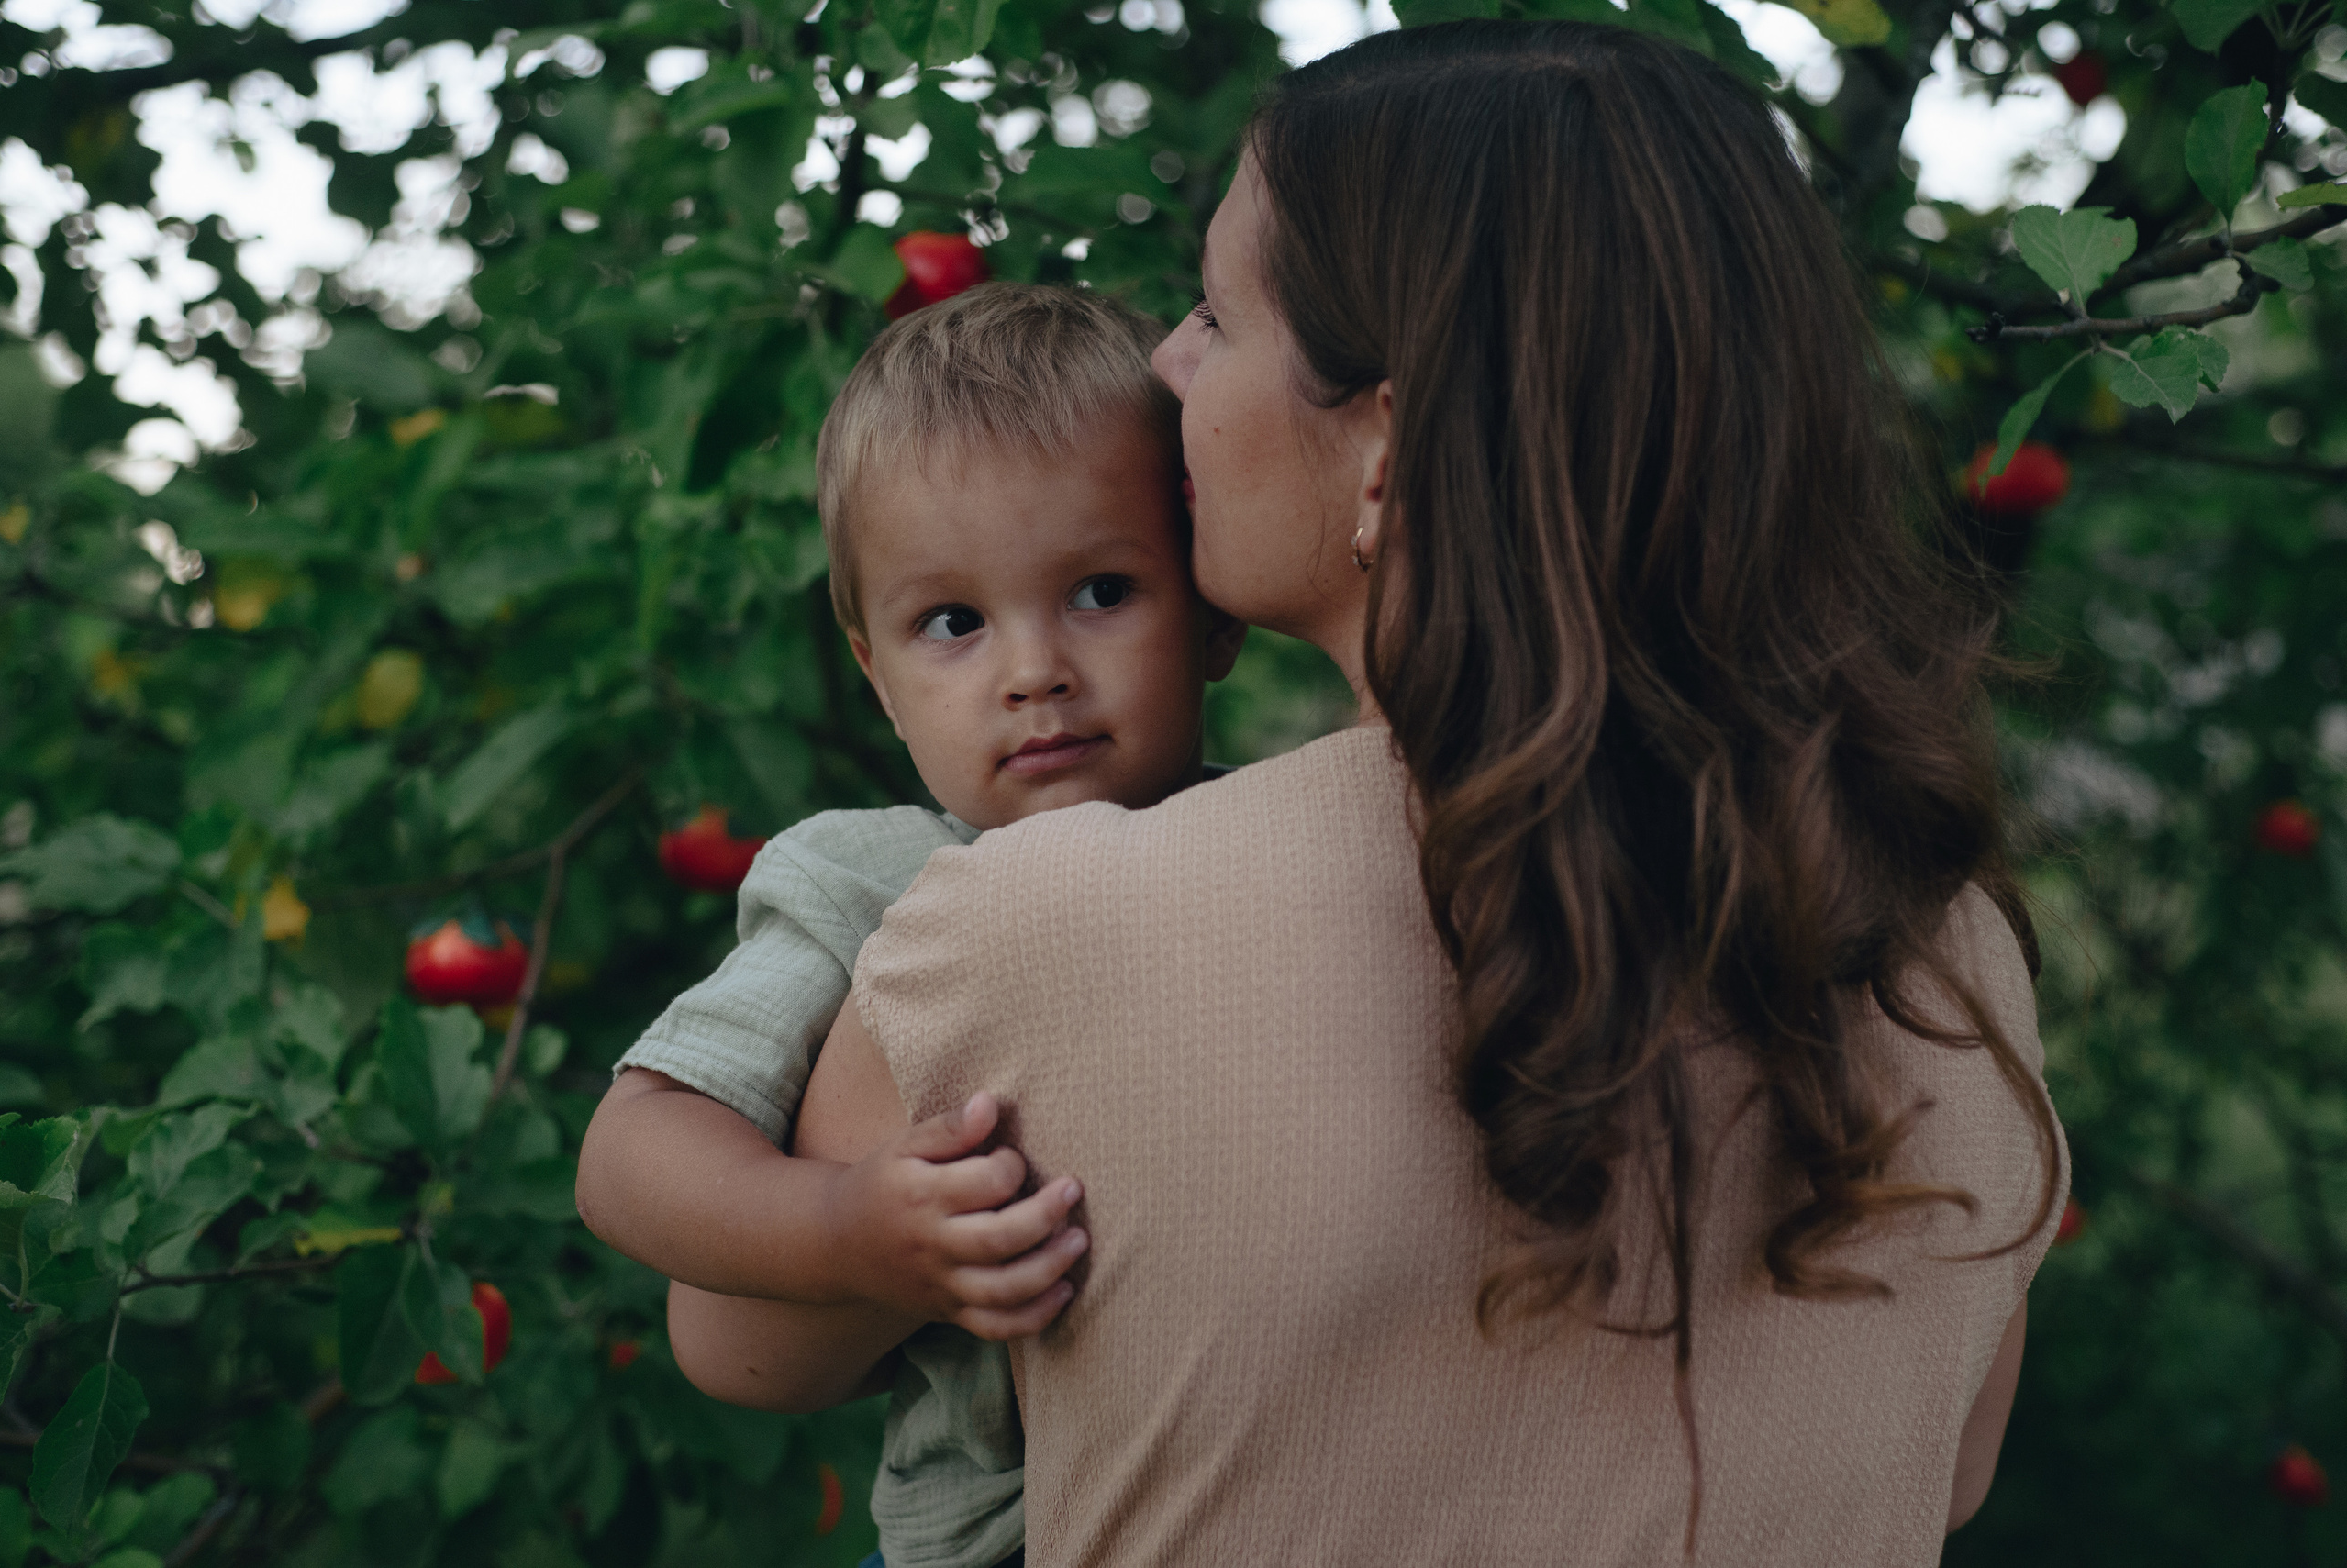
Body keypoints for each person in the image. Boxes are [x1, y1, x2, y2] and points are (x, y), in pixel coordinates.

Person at [694, 19, 2071, 1566]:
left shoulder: (1048, 920)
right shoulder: (1946, 947)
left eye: (1219, 315)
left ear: (1387, 445)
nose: (1169, 363)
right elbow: (1944, 1468)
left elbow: (740, 1342)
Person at [574, 282, 1241, 1568]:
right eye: (953, 622)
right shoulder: (870, 880)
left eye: (1103, 589)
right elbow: (629, 1151)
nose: (1033, 671)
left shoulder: (1266, 838)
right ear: (877, 674)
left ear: (1212, 607)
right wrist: (841, 1227)